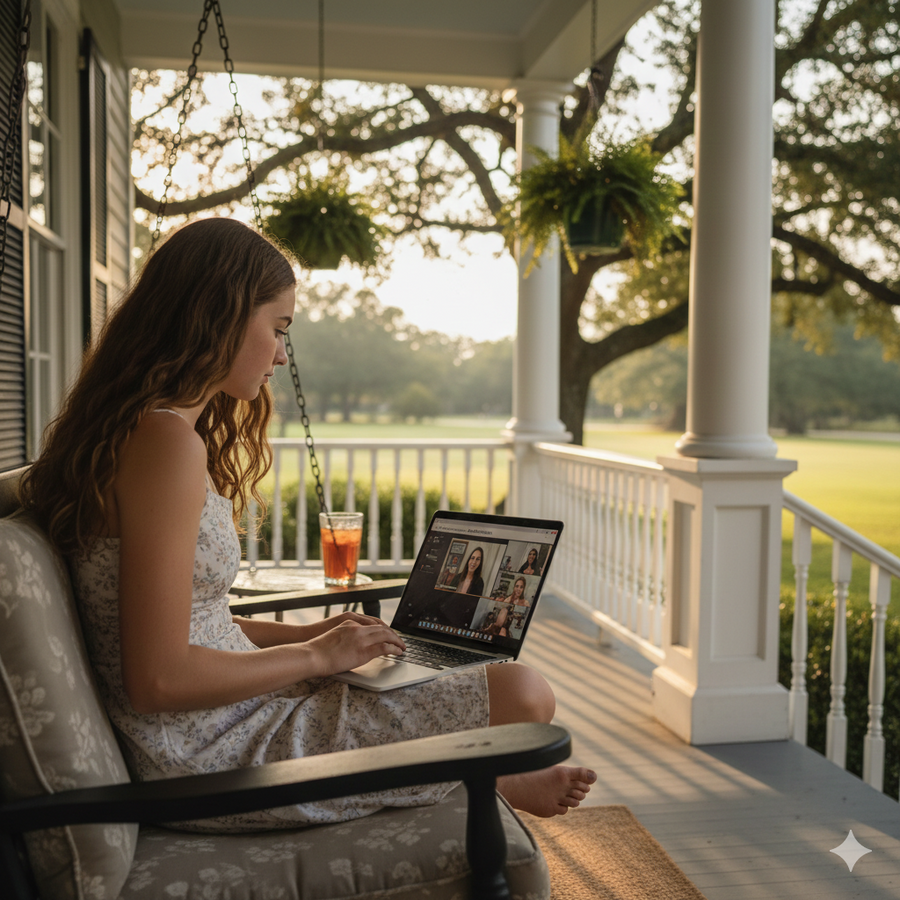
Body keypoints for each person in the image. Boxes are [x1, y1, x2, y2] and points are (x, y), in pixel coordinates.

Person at [20, 217, 594, 828]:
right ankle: (496, 775)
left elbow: (197, 627)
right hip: (212, 756)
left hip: (226, 717)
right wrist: (318, 658)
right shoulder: (164, 445)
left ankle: (491, 772)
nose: (281, 353)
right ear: (218, 315)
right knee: (522, 692)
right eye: (278, 328)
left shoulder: (154, 434)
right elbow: (158, 678)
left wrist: (310, 637)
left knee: (482, 682)